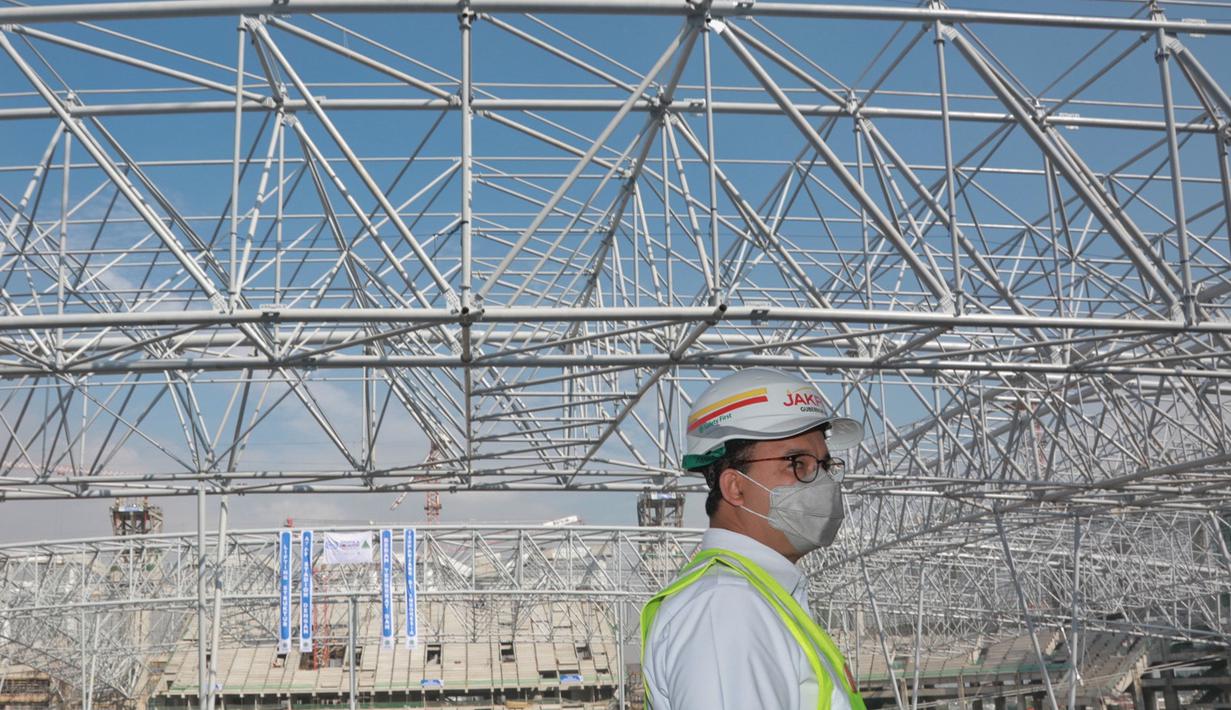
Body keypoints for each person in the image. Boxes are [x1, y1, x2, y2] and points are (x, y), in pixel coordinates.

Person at [639, 368, 867, 710]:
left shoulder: (758, 598)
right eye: (796, 463)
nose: (822, 482)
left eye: (825, 464)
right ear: (735, 487)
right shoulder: (727, 608)